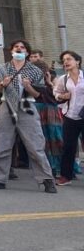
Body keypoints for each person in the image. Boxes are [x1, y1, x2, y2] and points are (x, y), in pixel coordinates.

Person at [0, 40, 57, 194]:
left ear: (27, 52)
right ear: (11, 51)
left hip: (27, 106)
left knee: (35, 145)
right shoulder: (1, 68)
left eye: (22, 47)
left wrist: (29, 87)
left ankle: (46, 179)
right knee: (2, 144)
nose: (18, 49)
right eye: (16, 46)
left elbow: (38, 95)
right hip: (6, 106)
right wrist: (3, 83)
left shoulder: (35, 71)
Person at [54, 50, 83, 185]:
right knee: (68, 147)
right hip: (70, 116)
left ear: (77, 61)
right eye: (64, 60)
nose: (66, 62)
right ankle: (66, 176)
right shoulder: (63, 79)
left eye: (69, 59)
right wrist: (61, 96)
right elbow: (56, 92)